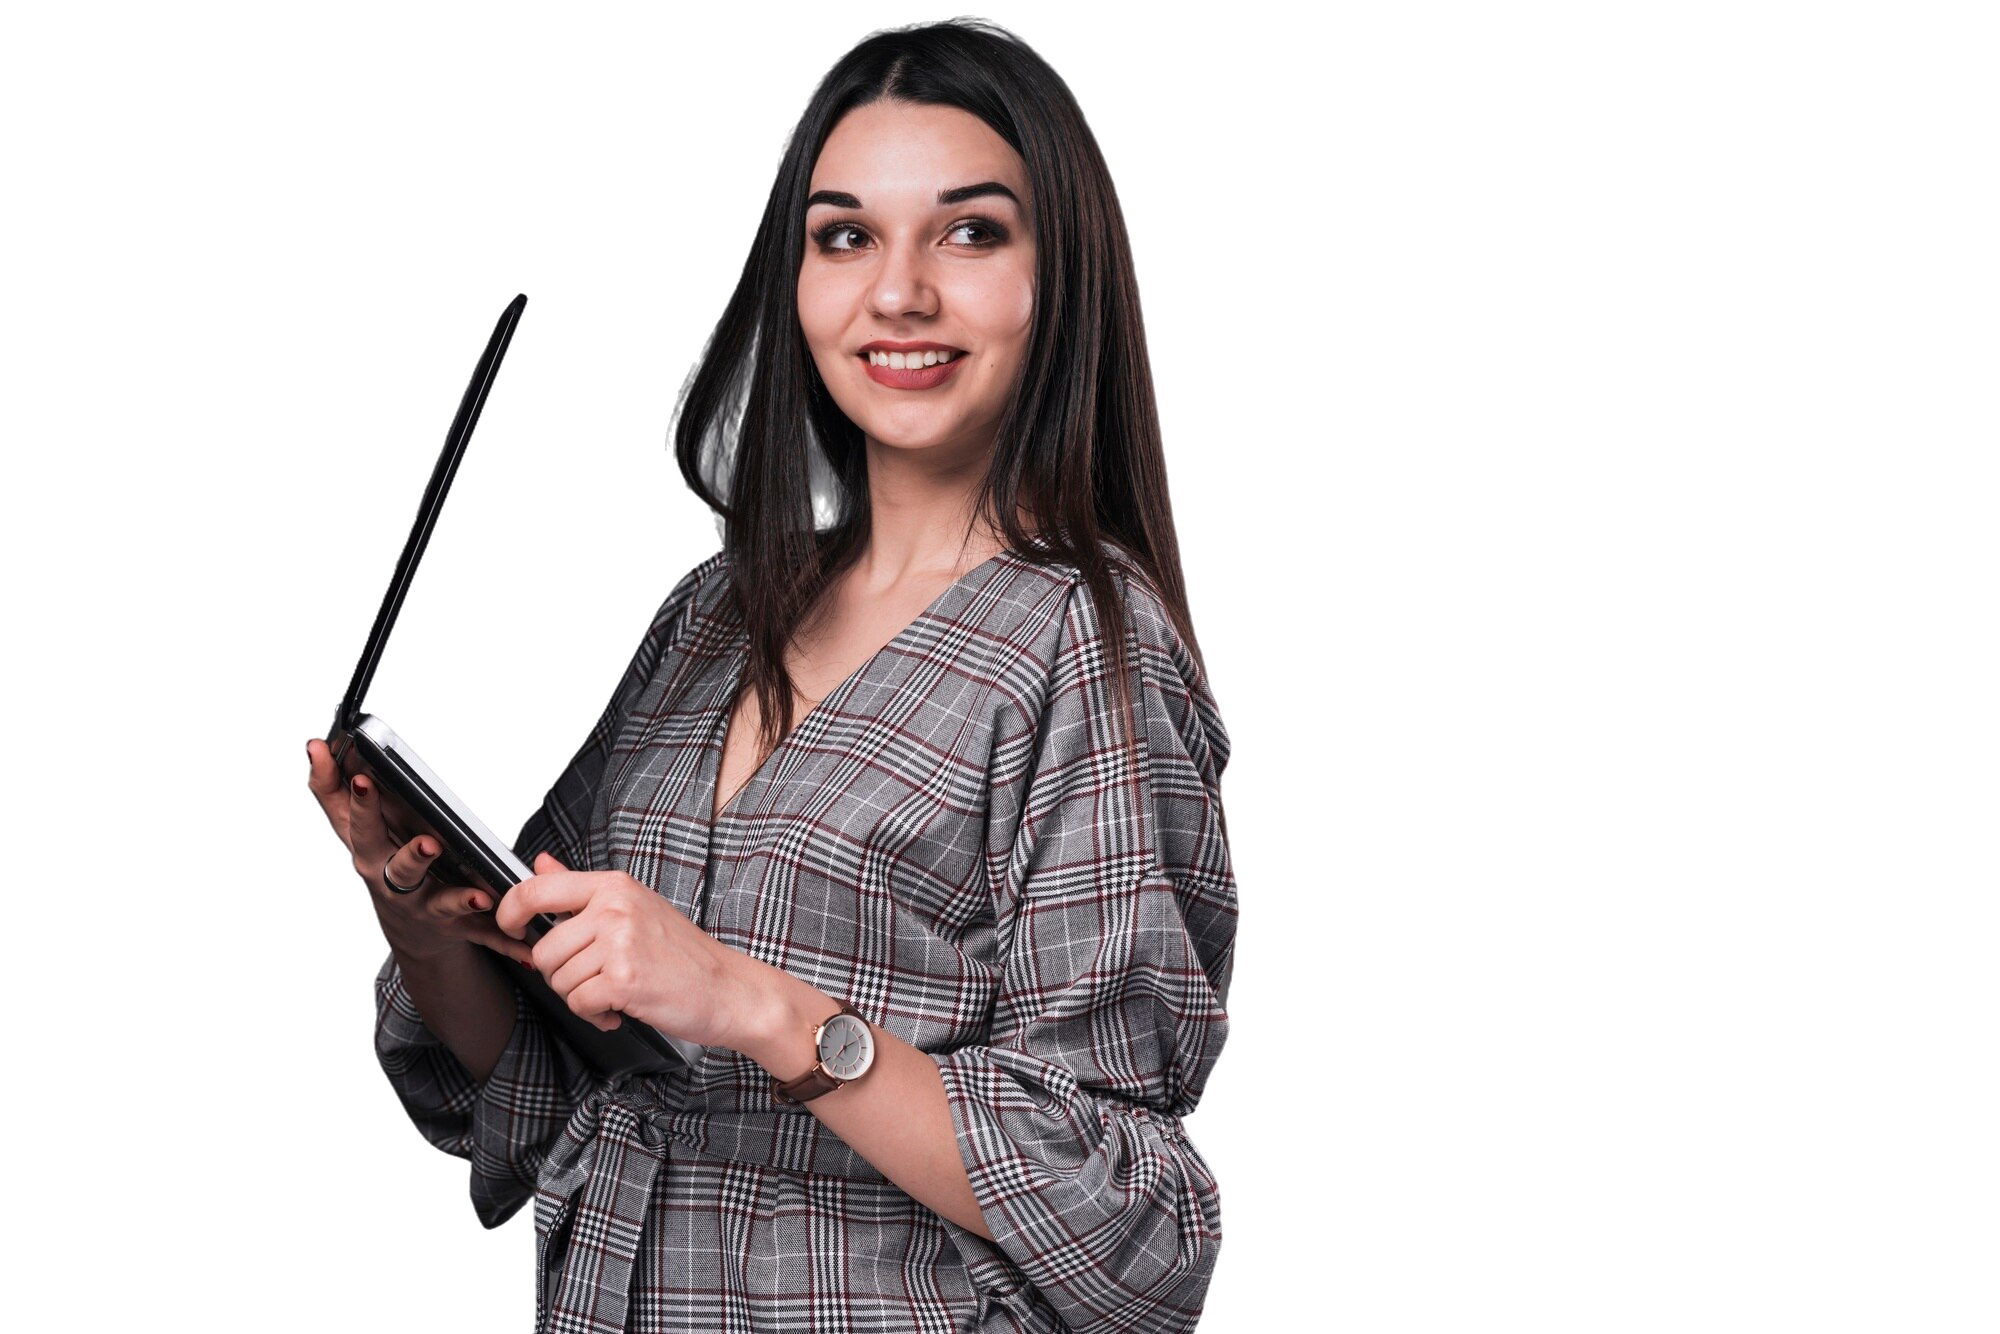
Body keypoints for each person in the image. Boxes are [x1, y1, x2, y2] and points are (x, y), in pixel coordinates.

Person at [299, 12, 1244, 1332]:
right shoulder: (708, 616)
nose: (898, 291)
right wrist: (418, 921)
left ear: (1062, 276)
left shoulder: (1088, 649)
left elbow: (1131, 1224)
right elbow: (555, 1100)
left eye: (971, 231)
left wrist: (750, 1000)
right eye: (845, 234)